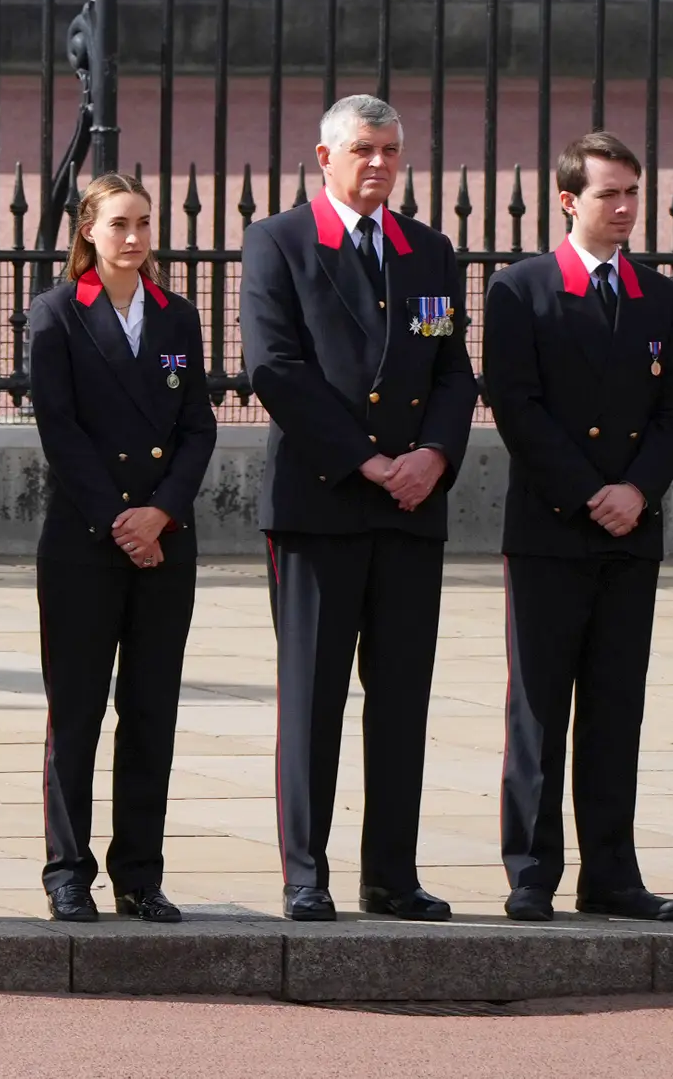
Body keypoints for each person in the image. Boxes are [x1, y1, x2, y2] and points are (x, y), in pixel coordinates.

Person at [243, 92, 474, 923]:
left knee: (402, 694)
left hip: (413, 505)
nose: (378, 164)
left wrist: (434, 455)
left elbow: (453, 371)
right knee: (314, 696)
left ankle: (392, 872)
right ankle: (306, 870)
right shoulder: (281, 241)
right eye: (363, 150)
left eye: (390, 150)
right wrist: (367, 458)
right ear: (325, 156)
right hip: (321, 501)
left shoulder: (429, 251)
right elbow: (274, 367)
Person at [480, 129, 673, 922]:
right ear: (569, 199)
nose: (627, 208)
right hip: (551, 526)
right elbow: (517, 404)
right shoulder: (523, 289)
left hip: (630, 533)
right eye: (610, 193)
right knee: (540, 702)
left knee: (616, 702)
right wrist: (590, 490)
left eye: (634, 192)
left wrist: (635, 490)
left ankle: (612, 872)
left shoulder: (659, 295)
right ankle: (531, 871)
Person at [25, 171, 213, 926]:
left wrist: (161, 512)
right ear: (87, 231)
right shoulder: (57, 313)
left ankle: (140, 870)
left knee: (150, 708)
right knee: (76, 709)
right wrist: (119, 518)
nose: (133, 237)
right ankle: (68, 870)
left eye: (142, 222)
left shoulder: (178, 314)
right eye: (117, 224)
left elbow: (198, 425)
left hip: (165, 542)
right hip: (84, 539)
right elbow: (59, 429)